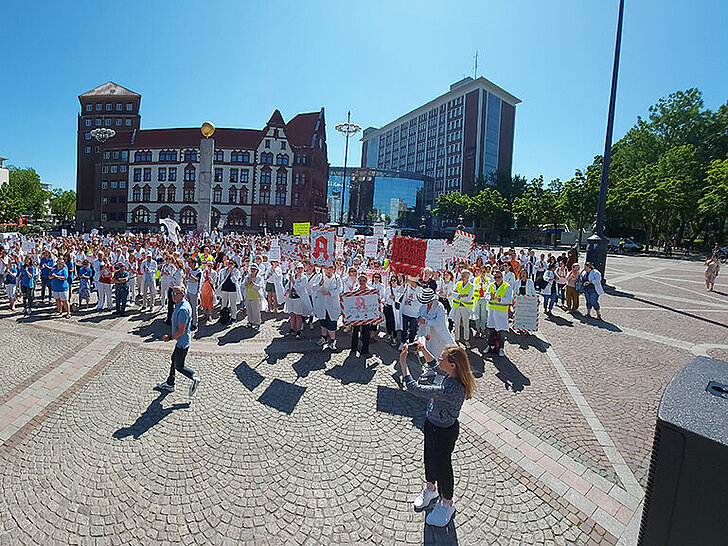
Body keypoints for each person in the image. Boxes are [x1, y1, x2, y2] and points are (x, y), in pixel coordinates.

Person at [399, 342, 475, 527]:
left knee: (443, 466)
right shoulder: (450, 373)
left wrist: (403, 364)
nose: (439, 359)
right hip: (432, 423)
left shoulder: (452, 388)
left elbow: (416, 389)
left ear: (453, 365)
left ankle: (447, 502)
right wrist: (424, 350)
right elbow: (434, 365)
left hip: (444, 431)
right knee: (429, 458)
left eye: (443, 358)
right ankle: (431, 489)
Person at [155, 285, 201, 396]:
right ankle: (170, 383)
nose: (173, 295)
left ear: (182, 295)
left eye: (176, 293)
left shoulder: (182, 309)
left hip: (182, 343)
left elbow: (181, 330)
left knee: (179, 366)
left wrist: (170, 337)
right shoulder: (180, 304)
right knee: (173, 359)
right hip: (181, 342)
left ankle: (194, 378)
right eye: (172, 293)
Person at [417, 288, 456, 378]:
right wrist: (419, 317)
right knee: (428, 350)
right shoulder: (423, 305)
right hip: (428, 333)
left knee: (438, 352)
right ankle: (430, 370)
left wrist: (426, 321)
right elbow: (420, 312)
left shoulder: (439, 307)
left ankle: (441, 373)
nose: (426, 303)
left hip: (438, 334)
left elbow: (439, 321)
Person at [486, 269, 513, 356]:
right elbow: (486, 295)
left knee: (502, 333)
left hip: (501, 314)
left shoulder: (507, 286)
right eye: (495, 277)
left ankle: (501, 348)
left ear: (502, 277)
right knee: (491, 331)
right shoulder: (491, 285)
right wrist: (490, 297)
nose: (497, 279)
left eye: (498, 277)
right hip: (492, 313)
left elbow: (510, 300)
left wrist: (500, 299)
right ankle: (490, 346)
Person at [315, 264, 342, 351]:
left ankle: (332, 341)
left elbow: (340, 288)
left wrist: (330, 293)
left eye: (330, 269)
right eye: (327, 269)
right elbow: (313, 287)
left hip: (332, 303)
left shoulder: (337, 278)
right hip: (322, 303)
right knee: (323, 322)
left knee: (332, 322)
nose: (328, 271)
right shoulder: (319, 277)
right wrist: (320, 284)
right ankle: (324, 338)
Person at [285, 263, 312, 339]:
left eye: (301, 268)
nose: (299, 270)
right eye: (298, 268)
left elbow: (299, 288)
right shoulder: (292, 276)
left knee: (298, 314)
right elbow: (287, 285)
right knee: (292, 314)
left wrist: (293, 281)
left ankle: (298, 330)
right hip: (291, 298)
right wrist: (288, 290)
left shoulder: (304, 278)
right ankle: (292, 328)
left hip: (299, 298)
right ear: (295, 269)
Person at [350, 273, 373, 356]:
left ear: (366, 281)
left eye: (363, 280)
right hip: (357, 315)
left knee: (366, 332)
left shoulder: (371, 290)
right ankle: (354, 348)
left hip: (367, 315)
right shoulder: (355, 290)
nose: (362, 282)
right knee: (355, 332)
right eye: (360, 280)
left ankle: (365, 349)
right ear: (358, 281)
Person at [450, 269, 474, 349]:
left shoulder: (471, 286)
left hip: (465, 308)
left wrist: (458, 296)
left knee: (466, 324)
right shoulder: (458, 283)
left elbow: (469, 298)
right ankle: (456, 339)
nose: (462, 277)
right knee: (456, 323)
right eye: (461, 276)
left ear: (468, 277)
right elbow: (452, 293)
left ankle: (466, 340)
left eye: (464, 276)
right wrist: (461, 295)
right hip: (457, 307)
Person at [399, 276, 422, 350]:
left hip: (414, 314)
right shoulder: (407, 286)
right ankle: (402, 342)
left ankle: (411, 342)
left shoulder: (420, 290)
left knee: (413, 329)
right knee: (404, 329)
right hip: (405, 312)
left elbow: (420, 302)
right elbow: (400, 291)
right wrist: (404, 284)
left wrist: (410, 302)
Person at [244, 263, 264, 329]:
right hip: (248, 295)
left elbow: (259, 286)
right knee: (249, 310)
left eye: (254, 269)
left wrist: (252, 282)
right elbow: (244, 285)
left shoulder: (259, 277)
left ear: (257, 270)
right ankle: (250, 321)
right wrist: (248, 281)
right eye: (251, 269)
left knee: (256, 311)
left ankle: (257, 323)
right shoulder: (247, 276)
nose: (252, 270)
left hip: (256, 296)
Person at [186, 257, 201, 331]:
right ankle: (189, 321)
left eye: (190, 262)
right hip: (188, 290)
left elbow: (196, 280)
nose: (188, 264)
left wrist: (189, 274)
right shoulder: (190, 270)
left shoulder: (199, 271)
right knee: (189, 308)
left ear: (194, 263)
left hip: (194, 292)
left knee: (194, 308)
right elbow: (186, 279)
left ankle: (195, 323)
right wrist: (186, 274)